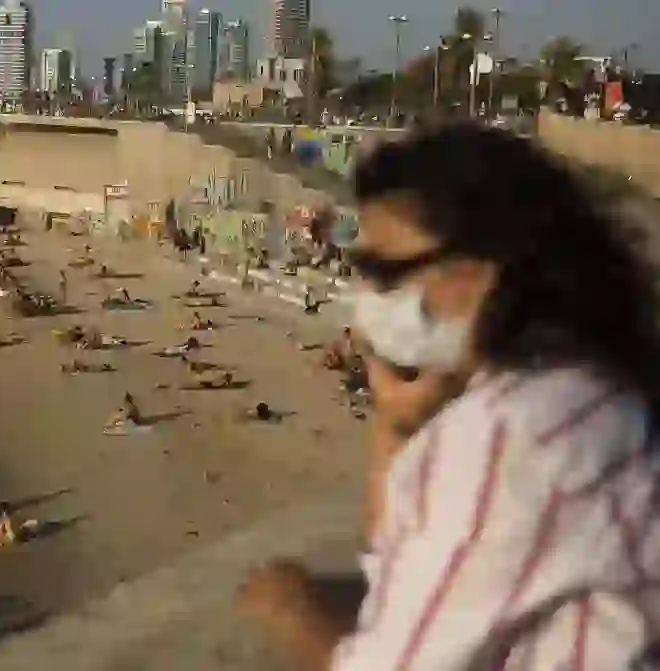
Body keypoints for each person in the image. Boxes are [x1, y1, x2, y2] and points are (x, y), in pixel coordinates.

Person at [239, 123, 660, 670]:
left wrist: (290, 609)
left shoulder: (513, 433)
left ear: (484, 272)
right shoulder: (588, 387)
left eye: (384, 270)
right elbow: (399, 561)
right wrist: (396, 422)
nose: (368, 294)